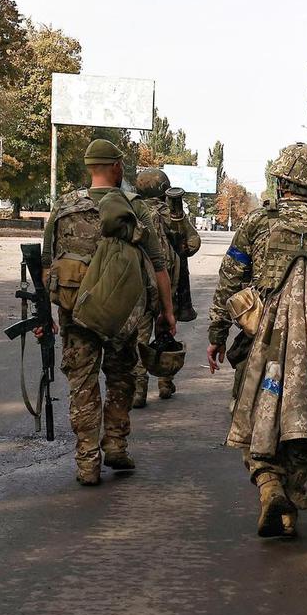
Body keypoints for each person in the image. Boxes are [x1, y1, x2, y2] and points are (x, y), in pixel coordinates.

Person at [205, 143, 307, 537]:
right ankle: (292, 498)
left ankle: (269, 485)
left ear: (282, 182)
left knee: (251, 409)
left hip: (259, 342)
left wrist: (216, 332)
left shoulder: (258, 222)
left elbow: (230, 278)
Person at [42, 139, 176, 485]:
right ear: (116, 167)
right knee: (120, 379)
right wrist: (167, 311)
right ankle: (115, 445)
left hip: (76, 314)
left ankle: (87, 462)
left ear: (89, 167)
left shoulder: (63, 206)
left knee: (82, 385)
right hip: (122, 314)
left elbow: (46, 264)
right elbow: (158, 264)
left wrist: (47, 316)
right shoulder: (134, 206)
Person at [132, 168, 201, 404]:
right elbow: (193, 244)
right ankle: (165, 382)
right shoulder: (171, 214)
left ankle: (139, 390)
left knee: (139, 338)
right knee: (165, 334)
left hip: (138, 286)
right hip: (166, 286)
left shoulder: (132, 211)